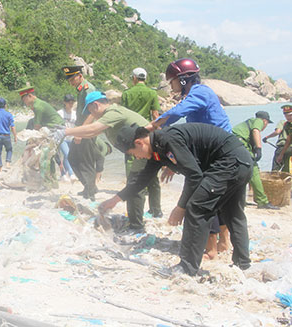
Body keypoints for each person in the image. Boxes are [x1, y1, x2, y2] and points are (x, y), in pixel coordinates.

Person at [99, 123, 253, 277]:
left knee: (196, 209)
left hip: (228, 163)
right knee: (233, 214)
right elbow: (142, 180)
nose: (136, 157)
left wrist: (180, 207)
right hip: (242, 162)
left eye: (133, 153)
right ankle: (243, 264)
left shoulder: (167, 140)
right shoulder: (158, 149)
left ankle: (187, 267)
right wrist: (116, 199)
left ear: (139, 143)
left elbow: (194, 175)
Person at [147, 58, 233, 259]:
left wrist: (154, 126)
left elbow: (177, 113)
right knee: (218, 197)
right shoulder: (198, 94)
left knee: (201, 198)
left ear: (184, 79)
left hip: (216, 152)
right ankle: (223, 242)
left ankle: (211, 249)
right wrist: (175, 164)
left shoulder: (200, 93)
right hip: (217, 150)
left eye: (173, 80)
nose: (172, 85)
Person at [52, 91, 149, 228]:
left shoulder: (113, 112)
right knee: (135, 183)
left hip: (147, 149)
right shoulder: (110, 115)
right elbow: (92, 132)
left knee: (135, 184)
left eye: (90, 110)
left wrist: (66, 132)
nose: (91, 115)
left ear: (96, 105)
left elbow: (93, 128)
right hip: (140, 150)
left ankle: (136, 225)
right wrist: (68, 132)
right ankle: (135, 221)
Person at [121, 67, 162, 218]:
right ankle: (156, 209)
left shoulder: (126, 94)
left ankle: (136, 211)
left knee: (133, 173)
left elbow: (123, 115)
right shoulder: (152, 93)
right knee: (152, 172)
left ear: (133, 78)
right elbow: (156, 116)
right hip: (147, 138)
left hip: (132, 137)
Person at [62, 65, 106, 199]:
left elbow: (92, 114)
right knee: (73, 158)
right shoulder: (81, 90)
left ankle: (91, 191)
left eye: (72, 79)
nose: (71, 82)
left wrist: (80, 133)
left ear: (80, 76)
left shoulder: (88, 89)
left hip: (86, 131)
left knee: (85, 161)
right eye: (69, 80)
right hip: (82, 129)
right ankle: (89, 186)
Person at [233, 111, 279, 210]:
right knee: (253, 170)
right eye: (266, 124)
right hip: (240, 143)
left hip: (235, 143)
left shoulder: (247, 124)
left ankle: (239, 199)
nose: (264, 126)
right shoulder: (258, 121)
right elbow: (255, 131)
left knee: (241, 171)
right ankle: (262, 201)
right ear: (265, 121)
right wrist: (259, 148)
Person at [0, 97, 17, 171]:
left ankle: (0, 167)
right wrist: (15, 136)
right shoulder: (9, 115)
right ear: (5, 105)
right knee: (9, 149)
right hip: (6, 136)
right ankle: (8, 162)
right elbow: (12, 127)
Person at [264, 104, 292, 172]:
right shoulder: (287, 124)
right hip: (288, 149)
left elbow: (277, 132)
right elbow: (289, 139)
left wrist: (267, 137)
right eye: (286, 115)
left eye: (290, 115)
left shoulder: (283, 123)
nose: (288, 117)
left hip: (283, 147)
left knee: (275, 171)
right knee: (287, 171)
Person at [57, 94, 77, 182]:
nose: (71, 104)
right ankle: (72, 174)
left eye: (72, 102)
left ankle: (64, 175)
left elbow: (76, 126)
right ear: (64, 102)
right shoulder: (60, 113)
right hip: (62, 138)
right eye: (69, 102)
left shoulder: (75, 114)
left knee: (67, 156)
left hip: (71, 138)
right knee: (67, 154)